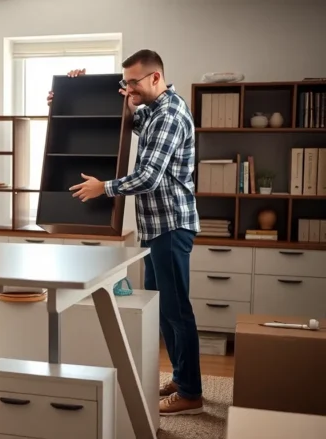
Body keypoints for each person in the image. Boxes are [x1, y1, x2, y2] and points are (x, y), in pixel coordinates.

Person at [52, 50, 203, 416]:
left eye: (134, 82)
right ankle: (183, 378)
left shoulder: (169, 114)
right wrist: (76, 92)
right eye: (126, 83)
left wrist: (103, 188)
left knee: (176, 311)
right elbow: (125, 118)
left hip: (170, 225)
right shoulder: (153, 110)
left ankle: (191, 393)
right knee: (163, 309)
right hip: (156, 227)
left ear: (155, 77)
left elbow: (149, 177)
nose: (129, 89)